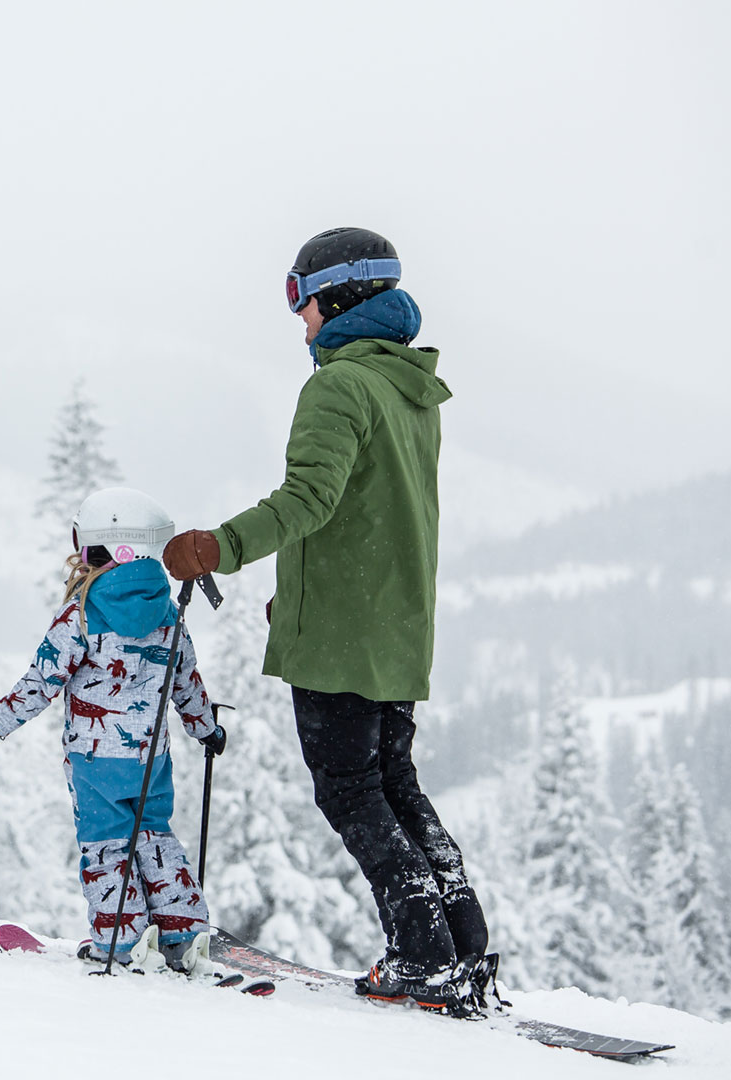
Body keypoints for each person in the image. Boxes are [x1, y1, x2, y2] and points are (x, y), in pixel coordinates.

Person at [160, 227, 493, 1012]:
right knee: (394, 783)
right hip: (395, 625)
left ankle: (421, 954)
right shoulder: (409, 389)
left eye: (300, 296)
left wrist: (220, 547)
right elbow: (373, 515)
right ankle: (461, 941)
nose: (299, 316)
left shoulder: (338, 387)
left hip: (345, 645)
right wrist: (308, 590)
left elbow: (311, 500)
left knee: (349, 790)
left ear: (339, 294)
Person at [0, 487, 227, 972]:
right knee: (153, 834)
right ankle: (183, 930)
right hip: (153, 756)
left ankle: (123, 941)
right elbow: (186, 680)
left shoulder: (82, 614)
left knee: (107, 844)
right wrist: (207, 730)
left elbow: (42, 681)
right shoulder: (169, 614)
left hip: (94, 760)